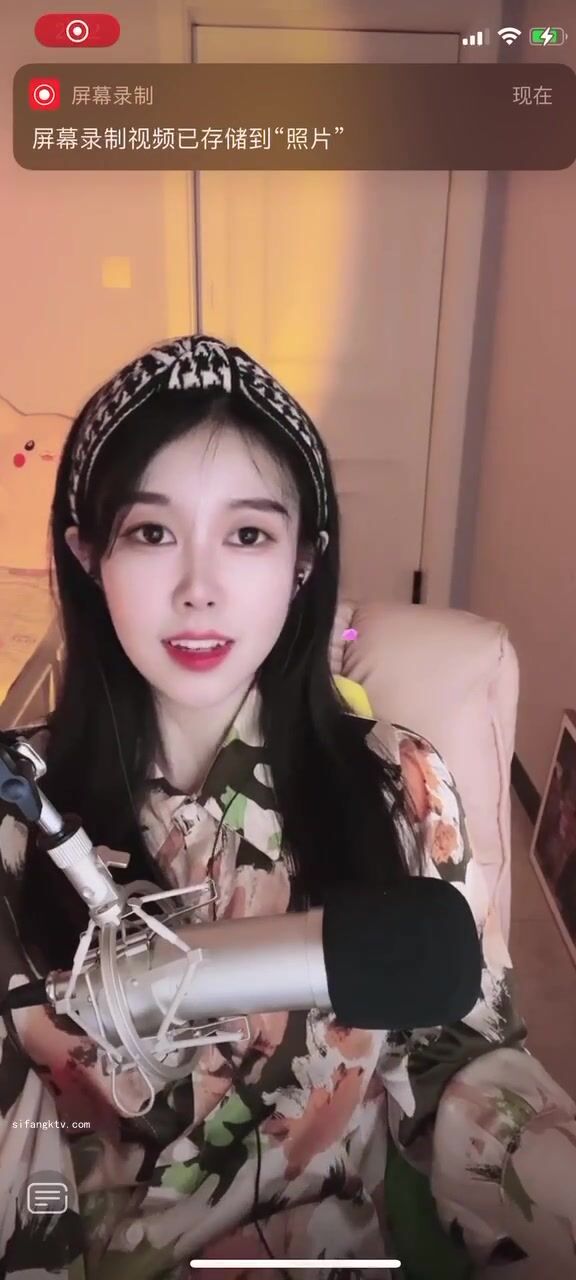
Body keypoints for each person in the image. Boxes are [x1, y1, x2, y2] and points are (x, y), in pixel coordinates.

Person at [0, 334, 574, 1280]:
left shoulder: (401, 785)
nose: (199, 590)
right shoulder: (17, 818)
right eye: (151, 533)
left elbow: (461, 1062)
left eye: (249, 535)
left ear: (304, 561)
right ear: (88, 554)